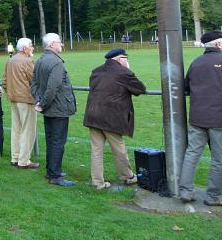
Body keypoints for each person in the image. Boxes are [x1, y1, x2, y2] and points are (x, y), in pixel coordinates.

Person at [83, 48, 146, 189]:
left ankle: (97, 182)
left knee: (96, 150)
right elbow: (140, 89)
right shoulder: (124, 72)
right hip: (110, 118)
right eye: (126, 58)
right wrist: (130, 70)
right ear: (119, 59)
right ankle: (127, 176)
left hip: (93, 115)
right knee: (119, 149)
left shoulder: (96, 71)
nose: (127, 61)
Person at [179, 31, 222, 206]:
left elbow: (185, 87)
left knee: (192, 154)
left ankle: (185, 191)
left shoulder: (196, 63)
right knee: (219, 160)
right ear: (218, 44)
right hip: (218, 120)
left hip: (197, 118)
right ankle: (213, 196)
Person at [31, 33, 76, 187]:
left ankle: (52, 170)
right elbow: (52, 88)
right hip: (57, 108)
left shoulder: (40, 60)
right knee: (57, 142)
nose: (61, 44)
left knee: (51, 140)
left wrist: (39, 101)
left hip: (49, 108)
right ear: (51, 44)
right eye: (59, 42)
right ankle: (55, 176)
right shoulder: (56, 62)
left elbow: (34, 84)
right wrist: (42, 103)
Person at [3, 38, 39, 169]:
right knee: (27, 131)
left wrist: (10, 93)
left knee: (16, 129)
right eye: (31, 46)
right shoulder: (27, 61)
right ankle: (24, 160)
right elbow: (34, 79)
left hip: (14, 99)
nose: (32, 48)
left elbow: (4, 81)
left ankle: (15, 157)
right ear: (24, 48)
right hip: (26, 99)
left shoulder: (10, 61)